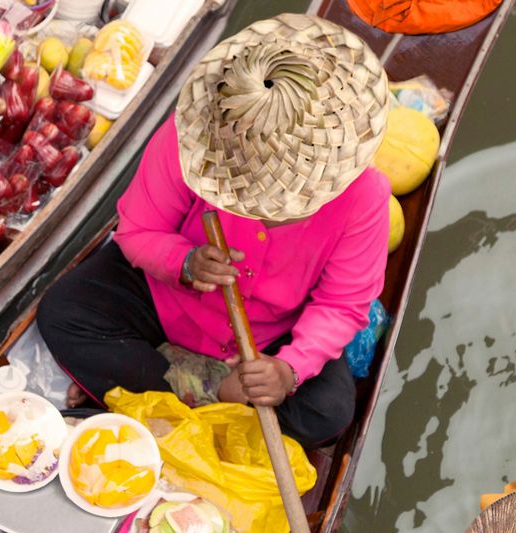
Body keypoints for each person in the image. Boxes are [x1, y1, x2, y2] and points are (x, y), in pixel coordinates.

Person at [37, 13, 391, 446]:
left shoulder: (366, 195)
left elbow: (342, 303)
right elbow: (137, 231)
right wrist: (183, 262)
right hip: (170, 304)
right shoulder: (194, 138)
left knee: (327, 414)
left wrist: (289, 369)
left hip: (271, 338)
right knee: (64, 313)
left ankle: (161, 389)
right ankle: (211, 392)